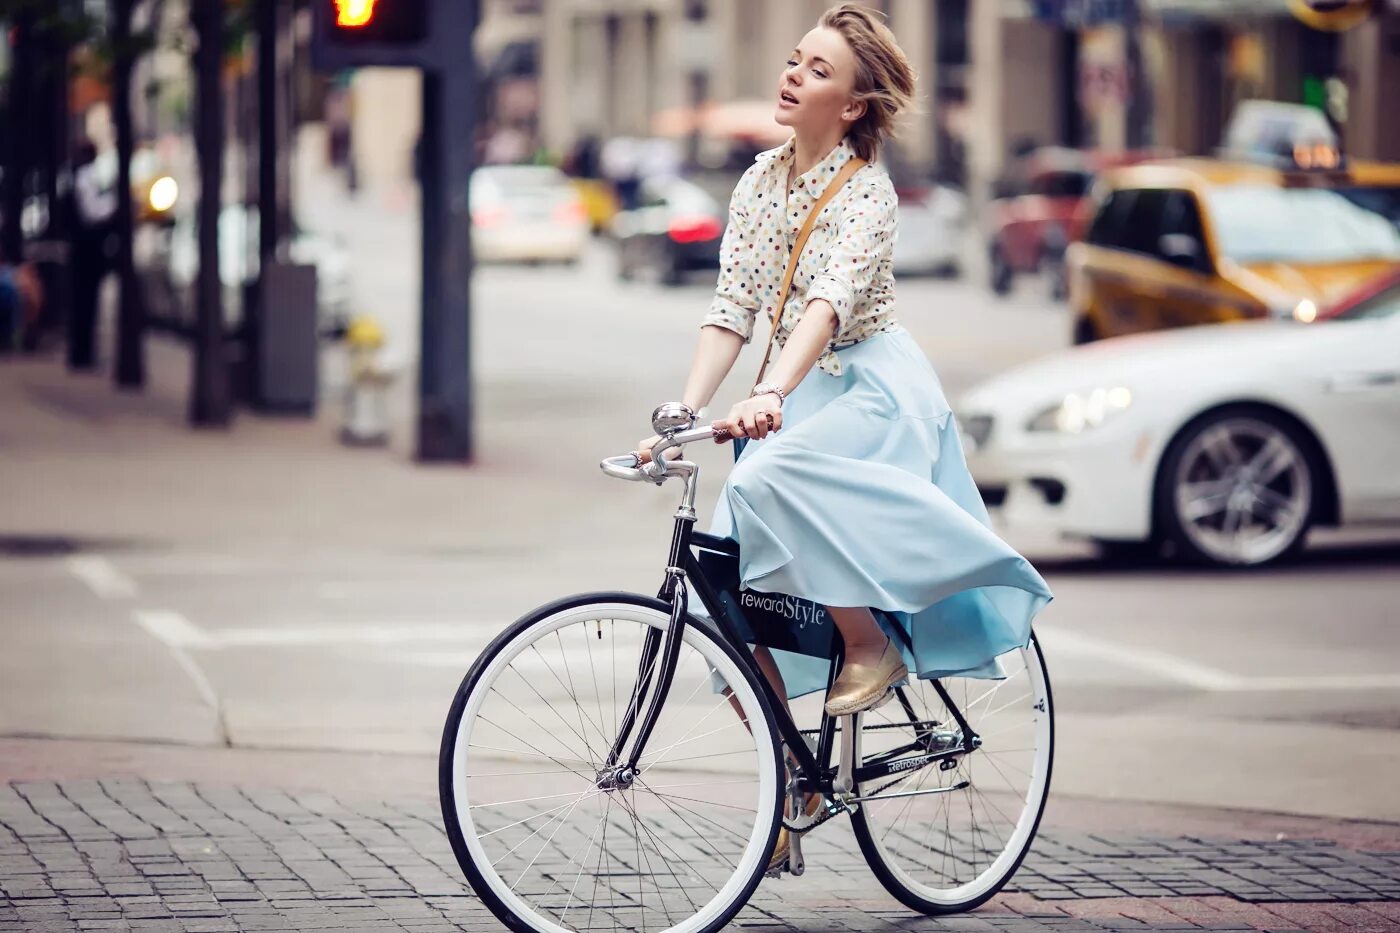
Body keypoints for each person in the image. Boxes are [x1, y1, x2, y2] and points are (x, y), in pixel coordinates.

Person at [634, 4, 1053, 869]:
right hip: (794, 399)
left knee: (762, 479)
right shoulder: (757, 180)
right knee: (722, 581)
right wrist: (684, 408)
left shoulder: (868, 194)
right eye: (794, 60)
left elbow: (823, 307)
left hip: (868, 388)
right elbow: (733, 310)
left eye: (817, 70)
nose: (792, 75)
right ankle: (795, 768)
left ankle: (867, 641)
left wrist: (771, 395)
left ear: (855, 105)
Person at [69, 139, 118, 370]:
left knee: (85, 303)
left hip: (86, 251)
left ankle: (82, 354)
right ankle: (82, 355)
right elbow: (93, 213)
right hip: (87, 250)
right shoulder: (85, 178)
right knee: (86, 303)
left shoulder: (83, 177)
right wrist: (114, 204)